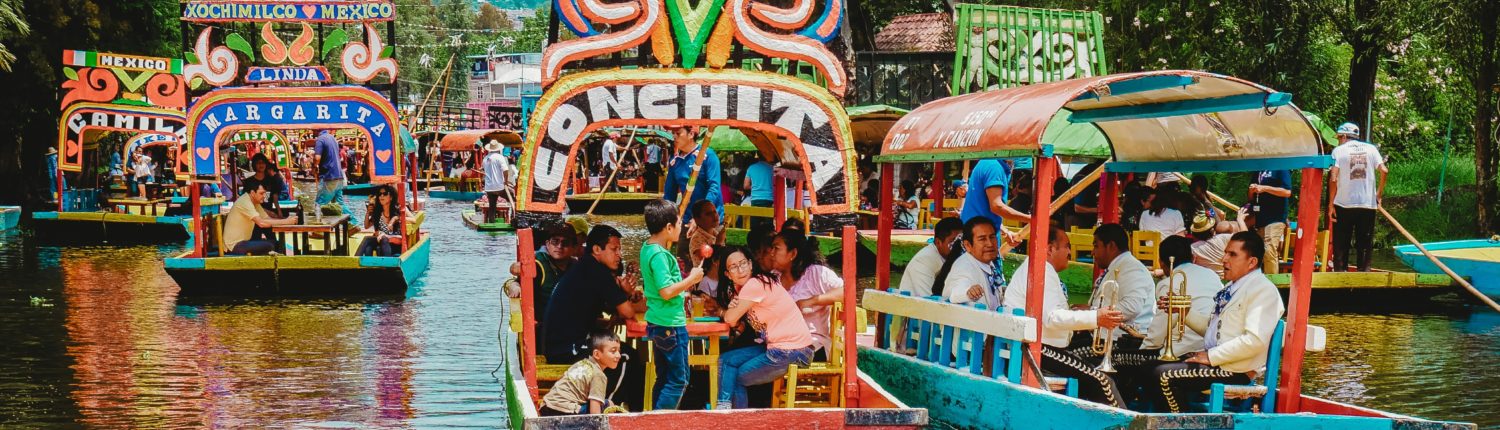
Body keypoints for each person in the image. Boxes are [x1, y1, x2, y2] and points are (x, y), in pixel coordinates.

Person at [1148, 232, 1284, 413]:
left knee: (1163, 376)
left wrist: (1210, 356)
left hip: (1236, 371)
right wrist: (1183, 312)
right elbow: (1212, 329)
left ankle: (1184, 426)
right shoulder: (1233, 287)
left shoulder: (1263, 290)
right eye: (1226, 252)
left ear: (1251, 262)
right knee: (1148, 366)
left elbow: (1254, 341)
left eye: (1232, 255)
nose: (1224, 259)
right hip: (1218, 364)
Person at [1004, 223, 1127, 407]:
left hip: (1036, 346)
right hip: (1039, 350)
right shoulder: (1042, 270)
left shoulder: (1038, 268)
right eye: (1067, 246)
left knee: (1097, 373)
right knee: (1102, 381)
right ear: (1050, 249)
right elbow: (1052, 317)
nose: (1070, 252)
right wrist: (1096, 318)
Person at [1108, 236, 1219, 401]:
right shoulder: (1212, 275)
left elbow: (1157, 337)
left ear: (1161, 263)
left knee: (1118, 359)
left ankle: (1126, 405)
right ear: (1193, 258)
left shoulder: (1167, 284)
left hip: (1180, 352)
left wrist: (1141, 350)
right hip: (1207, 347)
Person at [715, 245, 815, 409]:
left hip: (793, 351)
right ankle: (724, 407)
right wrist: (733, 307)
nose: (740, 270)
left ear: (751, 264)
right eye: (734, 267)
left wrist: (727, 311)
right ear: (727, 274)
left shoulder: (755, 283)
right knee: (726, 360)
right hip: (778, 347)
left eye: (743, 263)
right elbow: (735, 322)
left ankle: (733, 420)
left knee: (736, 378)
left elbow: (731, 319)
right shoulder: (745, 289)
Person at [640, 198, 705, 409]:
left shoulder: (647, 248)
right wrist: (691, 280)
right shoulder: (659, 255)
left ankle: (652, 420)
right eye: (678, 223)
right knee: (679, 380)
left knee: (664, 377)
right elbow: (666, 291)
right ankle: (660, 420)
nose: (682, 226)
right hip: (670, 324)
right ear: (668, 227)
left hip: (659, 321)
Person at [543, 225, 639, 362]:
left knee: (626, 352)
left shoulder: (586, 266)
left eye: (619, 249)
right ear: (597, 249)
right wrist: (625, 293)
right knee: (628, 357)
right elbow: (627, 312)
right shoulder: (598, 272)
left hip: (558, 347)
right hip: (566, 350)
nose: (619, 254)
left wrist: (626, 293)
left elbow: (616, 310)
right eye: (614, 249)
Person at [1081, 224, 1156, 353]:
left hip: (1120, 343)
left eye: (1096, 246)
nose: (1092, 252)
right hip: (1106, 338)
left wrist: (1093, 312)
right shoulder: (1122, 265)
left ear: (1111, 246)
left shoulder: (1132, 268)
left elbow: (1131, 307)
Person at [770, 229, 843, 356]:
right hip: (779, 343)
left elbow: (846, 292)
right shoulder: (773, 277)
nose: (771, 253)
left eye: (776, 248)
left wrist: (813, 301)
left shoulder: (816, 273)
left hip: (813, 346)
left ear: (793, 253)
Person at [1328, 122, 1387, 272]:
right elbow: (1384, 170)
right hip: (1367, 204)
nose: (1338, 141)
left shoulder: (1339, 151)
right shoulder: (1372, 149)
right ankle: (1364, 275)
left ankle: (1340, 275)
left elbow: (1333, 178)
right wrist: (1378, 194)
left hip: (1344, 204)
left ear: (1344, 136)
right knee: (1365, 244)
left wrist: (1330, 204)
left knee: (1341, 245)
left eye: (1339, 137)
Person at [540, 332, 623, 416]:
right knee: (608, 404)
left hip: (546, 407)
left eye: (619, 351)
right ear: (597, 354)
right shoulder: (599, 375)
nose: (619, 355)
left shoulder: (580, 364)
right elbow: (595, 413)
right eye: (613, 351)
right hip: (565, 410)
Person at [943, 217, 1017, 310]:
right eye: (982, 239)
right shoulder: (964, 266)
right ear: (968, 245)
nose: (990, 243)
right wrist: (968, 292)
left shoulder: (988, 263)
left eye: (992, 237)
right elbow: (955, 291)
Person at [662, 126, 723, 224]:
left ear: (691, 134)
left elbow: (714, 188)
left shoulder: (708, 155)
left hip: (710, 220)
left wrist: (700, 217)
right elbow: (669, 194)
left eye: (678, 133)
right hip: (686, 218)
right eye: (673, 133)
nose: (674, 136)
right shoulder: (674, 161)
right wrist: (667, 218)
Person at [222, 182, 296, 255]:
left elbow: (267, 219)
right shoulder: (245, 202)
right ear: (253, 193)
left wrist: (285, 220)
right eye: (261, 193)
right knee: (269, 246)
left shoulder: (254, 202)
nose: (264, 196)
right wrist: (287, 221)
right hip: (233, 246)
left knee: (275, 243)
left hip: (243, 242)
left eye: (264, 193)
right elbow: (261, 223)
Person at [899, 217, 964, 297]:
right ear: (938, 242)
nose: (959, 246)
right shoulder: (922, 262)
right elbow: (930, 301)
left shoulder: (961, 259)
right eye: (954, 242)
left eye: (961, 241)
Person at [960, 159, 1029, 229]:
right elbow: (996, 206)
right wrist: (1030, 219)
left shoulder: (988, 163)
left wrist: (1005, 231)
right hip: (980, 233)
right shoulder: (995, 168)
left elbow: (983, 207)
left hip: (977, 230)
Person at [1248, 169, 1291, 274]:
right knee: (1255, 252)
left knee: (1268, 250)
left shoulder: (1281, 168)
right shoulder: (1258, 170)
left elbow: (1287, 192)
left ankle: (1273, 284)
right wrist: (1251, 190)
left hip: (1276, 218)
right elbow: (1250, 198)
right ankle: (1257, 282)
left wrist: (1265, 188)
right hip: (1259, 219)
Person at [355, 185, 409, 257]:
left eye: (385, 194)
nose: (381, 196)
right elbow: (366, 226)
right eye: (380, 194)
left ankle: (388, 264)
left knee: (382, 239)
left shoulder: (399, 208)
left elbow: (413, 220)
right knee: (368, 245)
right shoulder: (378, 212)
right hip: (382, 241)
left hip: (396, 242)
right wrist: (368, 212)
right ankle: (357, 260)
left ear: (391, 197)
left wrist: (395, 219)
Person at [1192, 210, 1247, 275]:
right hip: (1229, 277)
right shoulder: (1223, 238)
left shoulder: (1192, 249)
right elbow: (1246, 237)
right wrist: (1240, 219)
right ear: (1212, 230)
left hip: (1209, 280)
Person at [312, 129, 347, 214]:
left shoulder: (320, 139)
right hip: (338, 176)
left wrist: (314, 166)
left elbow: (317, 158)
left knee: (319, 204)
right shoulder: (333, 138)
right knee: (339, 205)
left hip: (328, 177)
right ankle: (353, 223)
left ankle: (318, 225)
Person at [682, 200, 725, 267]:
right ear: (697, 220)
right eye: (708, 214)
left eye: (714, 212)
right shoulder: (697, 238)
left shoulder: (715, 232)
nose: (714, 215)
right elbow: (707, 262)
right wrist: (718, 243)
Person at [482, 140, 512, 224]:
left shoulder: (485, 158)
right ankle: (514, 218)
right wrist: (505, 181)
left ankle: (491, 222)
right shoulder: (500, 157)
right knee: (513, 197)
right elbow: (505, 170)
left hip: (489, 187)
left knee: (492, 206)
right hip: (499, 186)